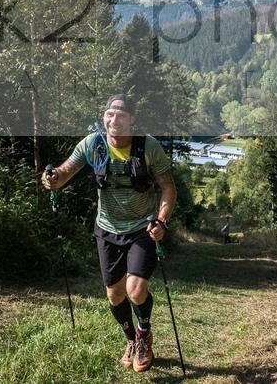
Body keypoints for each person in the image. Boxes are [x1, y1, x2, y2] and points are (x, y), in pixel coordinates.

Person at [41, 93, 177, 373]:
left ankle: (144, 335)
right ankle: (131, 340)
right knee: (115, 296)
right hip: (107, 229)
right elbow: (66, 170)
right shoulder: (93, 144)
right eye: (109, 115)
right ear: (104, 117)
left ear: (132, 121)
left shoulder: (147, 147)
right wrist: (53, 178)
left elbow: (167, 186)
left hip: (143, 228)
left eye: (121, 116)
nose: (114, 120)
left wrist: (162, 221)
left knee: (135, 290)